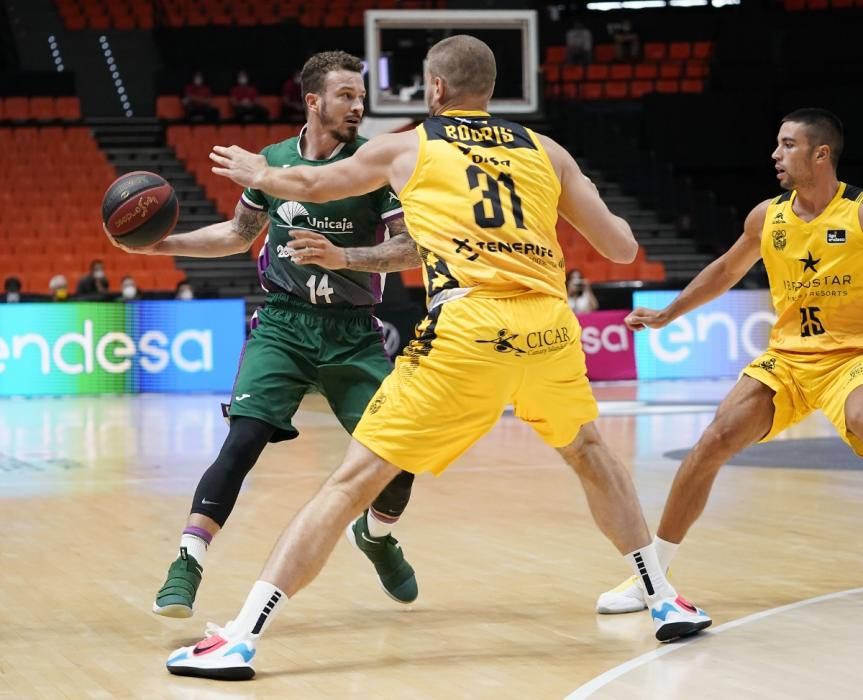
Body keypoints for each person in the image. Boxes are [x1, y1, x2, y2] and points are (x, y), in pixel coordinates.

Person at [167, 34, 711, 681]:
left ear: (434, 90)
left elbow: (315, 180)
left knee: (349, 485)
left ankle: (239, 636)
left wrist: (262, 175)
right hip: (547, 327)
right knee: (590, 454)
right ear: (492, 89)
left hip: (466, 326)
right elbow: (620, 247)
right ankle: (661, 599)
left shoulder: (410, 145)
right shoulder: (546, 151)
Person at [109, 50, 423, 621]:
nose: (358, 105)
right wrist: (160, 245)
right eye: (347, 95)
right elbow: (237, 233)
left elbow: (411, 249)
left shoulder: (375, 164)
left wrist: (345, 255)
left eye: (361, 96)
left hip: (354, 334)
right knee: (242, 443)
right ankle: (187, 561)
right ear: (313, 101)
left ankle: (375, 537)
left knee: (399, 462)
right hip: (283, 325)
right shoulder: (273, 163)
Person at [595, 108, 863, 615]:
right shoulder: (768, 217)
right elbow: (724, 271)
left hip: (851, 357)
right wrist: (669, 314)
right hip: (786, 360)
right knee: (712, 441)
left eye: (787, 145)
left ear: (820, 153)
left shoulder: (858, 212)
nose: (775, 154)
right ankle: (652, 579)